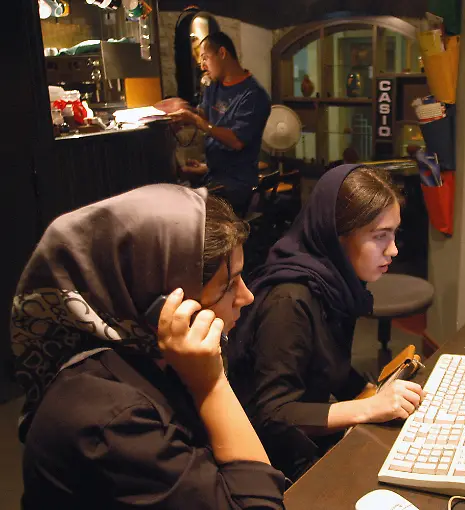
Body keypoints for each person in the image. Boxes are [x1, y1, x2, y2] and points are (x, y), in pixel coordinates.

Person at [13, 184, 285, 509]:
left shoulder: (150, 357)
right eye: (228, 285)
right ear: (160, 302)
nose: (247, 297)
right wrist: (211, 384)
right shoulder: (111, 418)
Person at [228, 164, 425, 480]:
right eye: (380, 237)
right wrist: (369, 407)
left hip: (305, 439)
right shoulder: (289, 301)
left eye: (394, 234)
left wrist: (368, 389)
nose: (394, 250)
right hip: (276, 463)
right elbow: (273, 414)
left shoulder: (335, 285)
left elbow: (325, 359)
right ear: (338, 237)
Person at [166, 31, 271, 216]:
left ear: (222, 53)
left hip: (236, 183)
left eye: (205, 58)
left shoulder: (253, 95)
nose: (202, 65)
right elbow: (206, 116)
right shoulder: (214, 86)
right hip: (213, 174)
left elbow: (237, 141)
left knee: (188, 215)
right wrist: (182, 112)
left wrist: (196, 121)